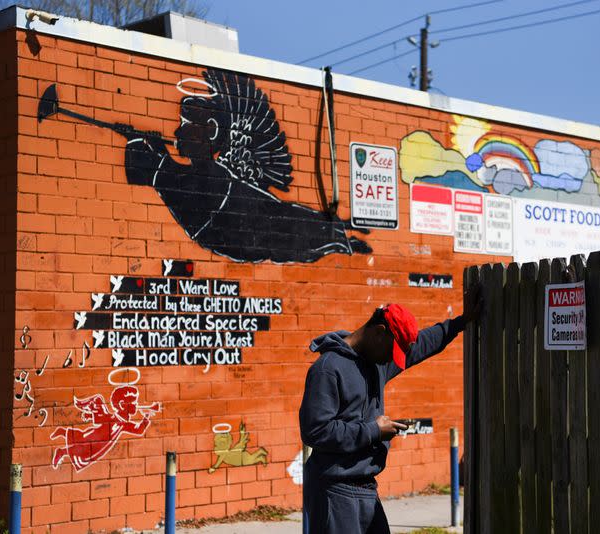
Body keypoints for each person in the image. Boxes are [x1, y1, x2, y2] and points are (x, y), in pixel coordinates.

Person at [122, 67, 370, 263]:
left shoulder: (206, 180)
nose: (177, 130)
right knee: (297, 230)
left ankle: (338, 233)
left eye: (186, 124)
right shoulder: (198, 179)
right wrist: (146, 143)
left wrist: (140, 141)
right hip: (252, 234)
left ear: (210, 130)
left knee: (297, 229)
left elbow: (159, 173)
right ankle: (337, 233)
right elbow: (161, 174)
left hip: (261, 230)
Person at [299, 288, 481, 534]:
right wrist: (373, 431)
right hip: (334, 490)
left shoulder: (376, 364)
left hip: (365, 487)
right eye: (392, 351)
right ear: (379, 333)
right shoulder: (328, 369)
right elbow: (316, 431)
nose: (391, 360)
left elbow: (423, 345)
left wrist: (460, 322)